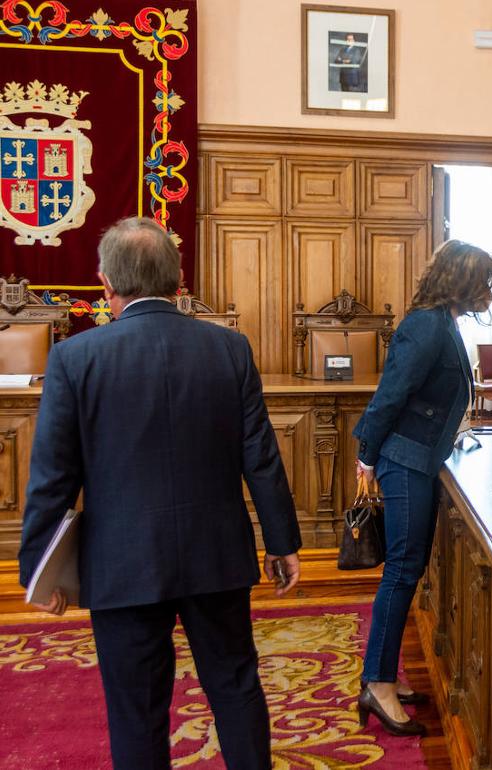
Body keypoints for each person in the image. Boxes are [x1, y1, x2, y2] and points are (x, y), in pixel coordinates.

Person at [18, 217, 302, 770]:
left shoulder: (75, 358)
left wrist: (38, 565)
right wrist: (282, 541)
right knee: (236, 686)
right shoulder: (231, 349)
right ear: (178, 280)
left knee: (136, 708)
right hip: (216, 554)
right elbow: (260, 456)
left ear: (105, 283)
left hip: (122, 563)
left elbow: (52, 476)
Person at [352, 239, 492, 736]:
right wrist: (365, 454)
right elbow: (390, 394)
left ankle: (382, 674)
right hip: (404, 461)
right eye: (485, 283)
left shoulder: (442, 322)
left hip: (418, 458)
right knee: (401, 571)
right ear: (462, 281)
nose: (490, 294)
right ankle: (377, 683)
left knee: (406, 570)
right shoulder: (424, 324)